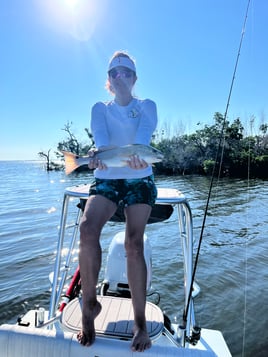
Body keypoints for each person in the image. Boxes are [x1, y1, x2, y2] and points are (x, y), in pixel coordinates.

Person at [77, 51, 158, 352]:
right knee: (87, 229)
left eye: (126, 72)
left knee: (133, 243)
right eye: (115, 73)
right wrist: (97, 159)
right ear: (109, 81)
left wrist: (138, 158)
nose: (121, 77)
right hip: (108, 178)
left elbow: (143, 139)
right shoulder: (100, 108)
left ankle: (140, 324)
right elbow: (101, 141)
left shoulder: (147, 106)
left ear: (135, 78)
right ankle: (89, 307)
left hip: (140, 178)